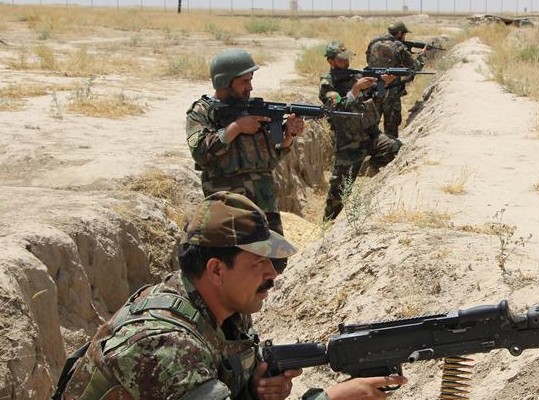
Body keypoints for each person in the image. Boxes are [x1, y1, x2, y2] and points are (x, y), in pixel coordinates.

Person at [55, 191, 407, 399]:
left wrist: (252, 391)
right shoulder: (162, 342)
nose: (271, 273)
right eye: (258, 263)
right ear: (217, 271)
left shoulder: (221, 311)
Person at [186, 48, 303, 272]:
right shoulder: (202, 112)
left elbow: (268, 160)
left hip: (264, 203)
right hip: (229, 208)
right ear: (224, 82)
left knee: (274, 265)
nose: (250, 87)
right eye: (244, 81)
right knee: (235, 267)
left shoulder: (253, 109)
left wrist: (288, 137)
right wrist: (236, 128)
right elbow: (200, 151)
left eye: (251, 80)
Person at [320, 41, 401, 221]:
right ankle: (327, 226)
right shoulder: (328, 84)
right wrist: (355, 89)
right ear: (331, 61)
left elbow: (378, 100)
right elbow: (339, 109)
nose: (346, 63)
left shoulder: (357, 76)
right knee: (338, 194)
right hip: (349, 143)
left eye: (348, 58)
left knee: (397, 148)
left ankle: (368, 169)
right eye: (342, 60)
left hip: (371, 135)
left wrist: (382, 84)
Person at [365, 21, 426, 139]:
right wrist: (422, 56)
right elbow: (414, 67)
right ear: (398, 33)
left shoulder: (373, 42)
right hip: (392, 93)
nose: (404, 37)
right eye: (404, 34)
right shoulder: (398, 46)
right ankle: (389, 153)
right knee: (391, 129)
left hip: (375, 88)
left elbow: (369, 61)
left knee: (371, 125)